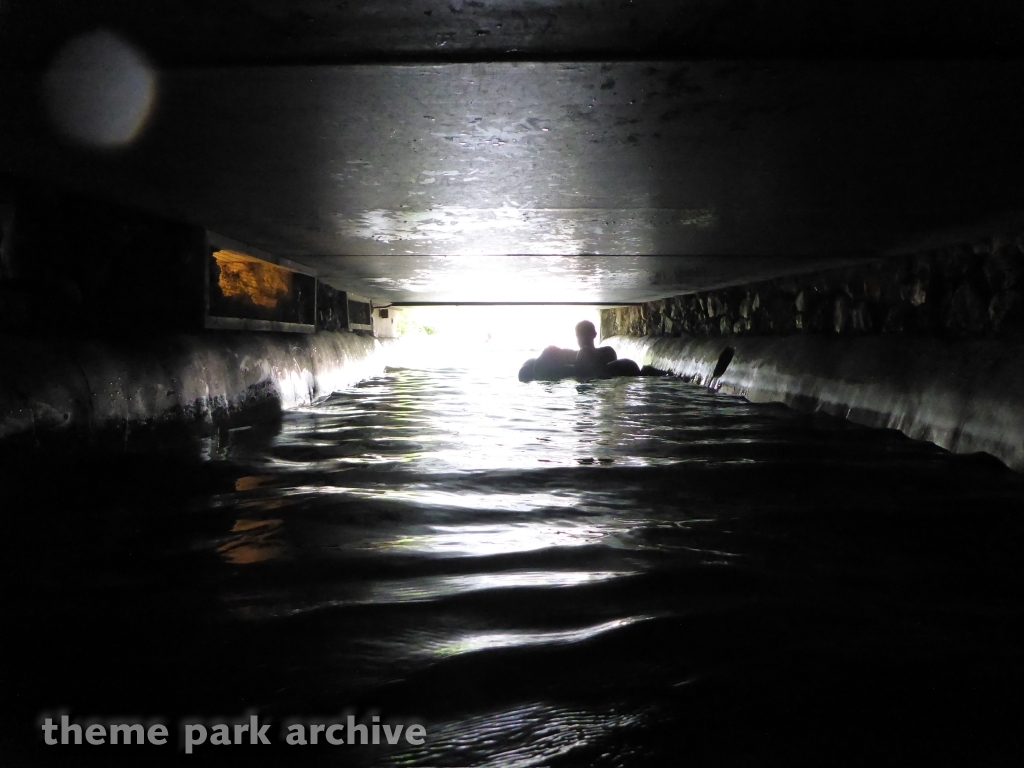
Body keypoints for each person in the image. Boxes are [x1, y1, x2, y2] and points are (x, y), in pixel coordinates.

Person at [518, 320, 641, 381]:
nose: (582, 338)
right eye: (580, 335)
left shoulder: (606, 352)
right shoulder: (569, 354)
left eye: (584, 334)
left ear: (594, 335)